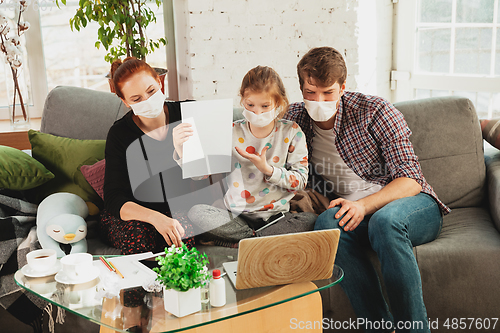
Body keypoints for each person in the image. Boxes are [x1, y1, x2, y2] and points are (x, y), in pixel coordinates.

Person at [283, 47, 450, 333]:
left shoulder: (374, 111)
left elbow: (411, 179)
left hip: (409, 204)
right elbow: (255, 136)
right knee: (326, 224)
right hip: (353, 213)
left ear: (343, 88)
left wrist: (363, 205)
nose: (319, 101)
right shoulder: (294, 119)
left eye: (328, 93)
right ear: (301, 88)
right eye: (311, 93)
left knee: (386, 222)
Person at [175, 66, 317, 246]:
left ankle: (246, 241)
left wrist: (268, 170)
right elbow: (201, 174)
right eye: (251, 105)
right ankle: (257, 241)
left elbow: (301, 180)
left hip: (277, 217)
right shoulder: (231, 131)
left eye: (265, 106)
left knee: (311, 221)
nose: (257, 112)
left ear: (278, 103)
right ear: (242, 100)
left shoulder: (292, 131)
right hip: (236, 217)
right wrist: (181, 150)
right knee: (197, 212)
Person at [101, 57, 207, 254]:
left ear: (160, 82)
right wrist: (155, 218)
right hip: (134, 215)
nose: (147, 101)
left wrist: (183, 154)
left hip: (177, 211)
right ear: (125, 102)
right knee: (137, 235)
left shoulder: (188, 114)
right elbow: (113, 198)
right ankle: (139, 285)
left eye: (151, 91)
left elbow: (205, 177)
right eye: (136, 99)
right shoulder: (119, 134)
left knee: (180, 242)